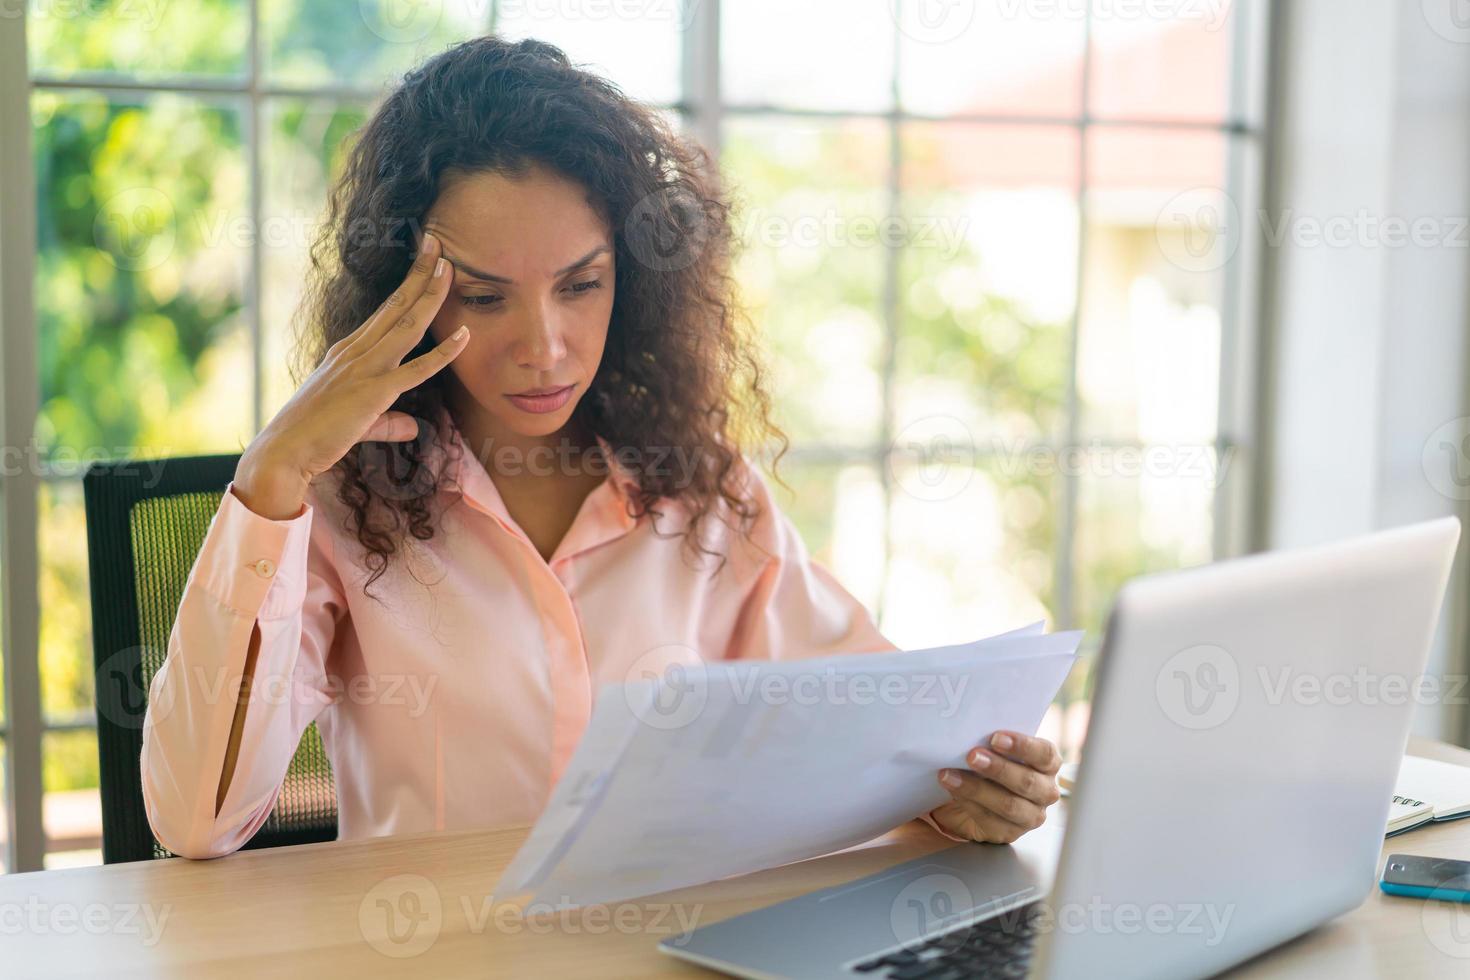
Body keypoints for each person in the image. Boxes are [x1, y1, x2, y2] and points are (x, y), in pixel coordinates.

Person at [140, 35, 1062, 860]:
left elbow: (873, 731)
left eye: (581, 284)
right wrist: (269, 481)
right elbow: (195, 824)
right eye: (486, 296)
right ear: (403, 301)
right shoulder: (343, 506)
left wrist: (965, 792)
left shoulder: (703, 492)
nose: (543, 346)